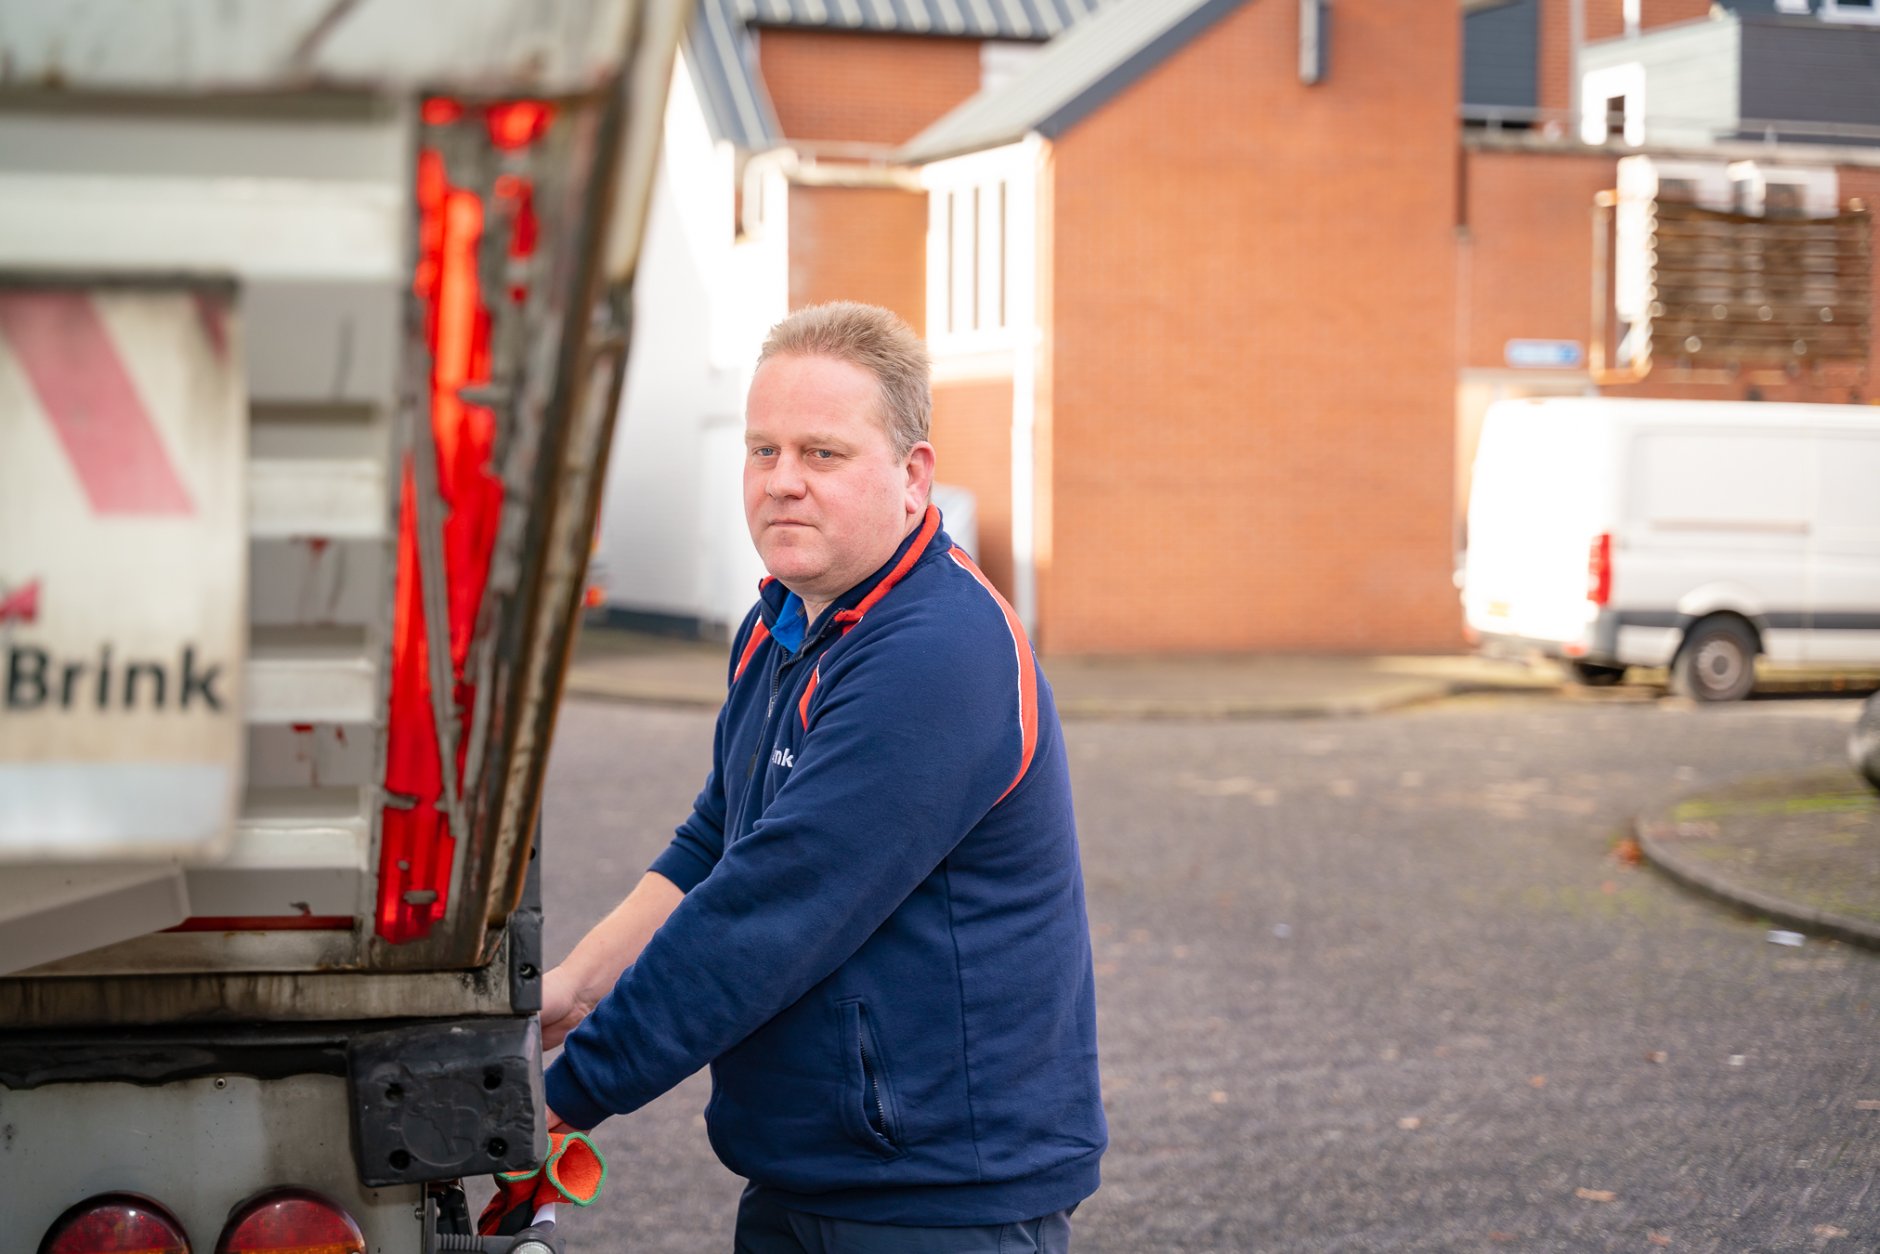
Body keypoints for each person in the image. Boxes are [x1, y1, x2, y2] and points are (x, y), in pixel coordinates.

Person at [540, 302, 1106, 1252]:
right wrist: (573, 987)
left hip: (938, 1197)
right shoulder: (779, 626)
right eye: (763, 452)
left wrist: (562, 1101)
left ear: (914, 476)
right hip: (812, 1168)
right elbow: (718, 841)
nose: (783, 483)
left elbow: (771, 911)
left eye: (823, 454)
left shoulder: (937, 655)